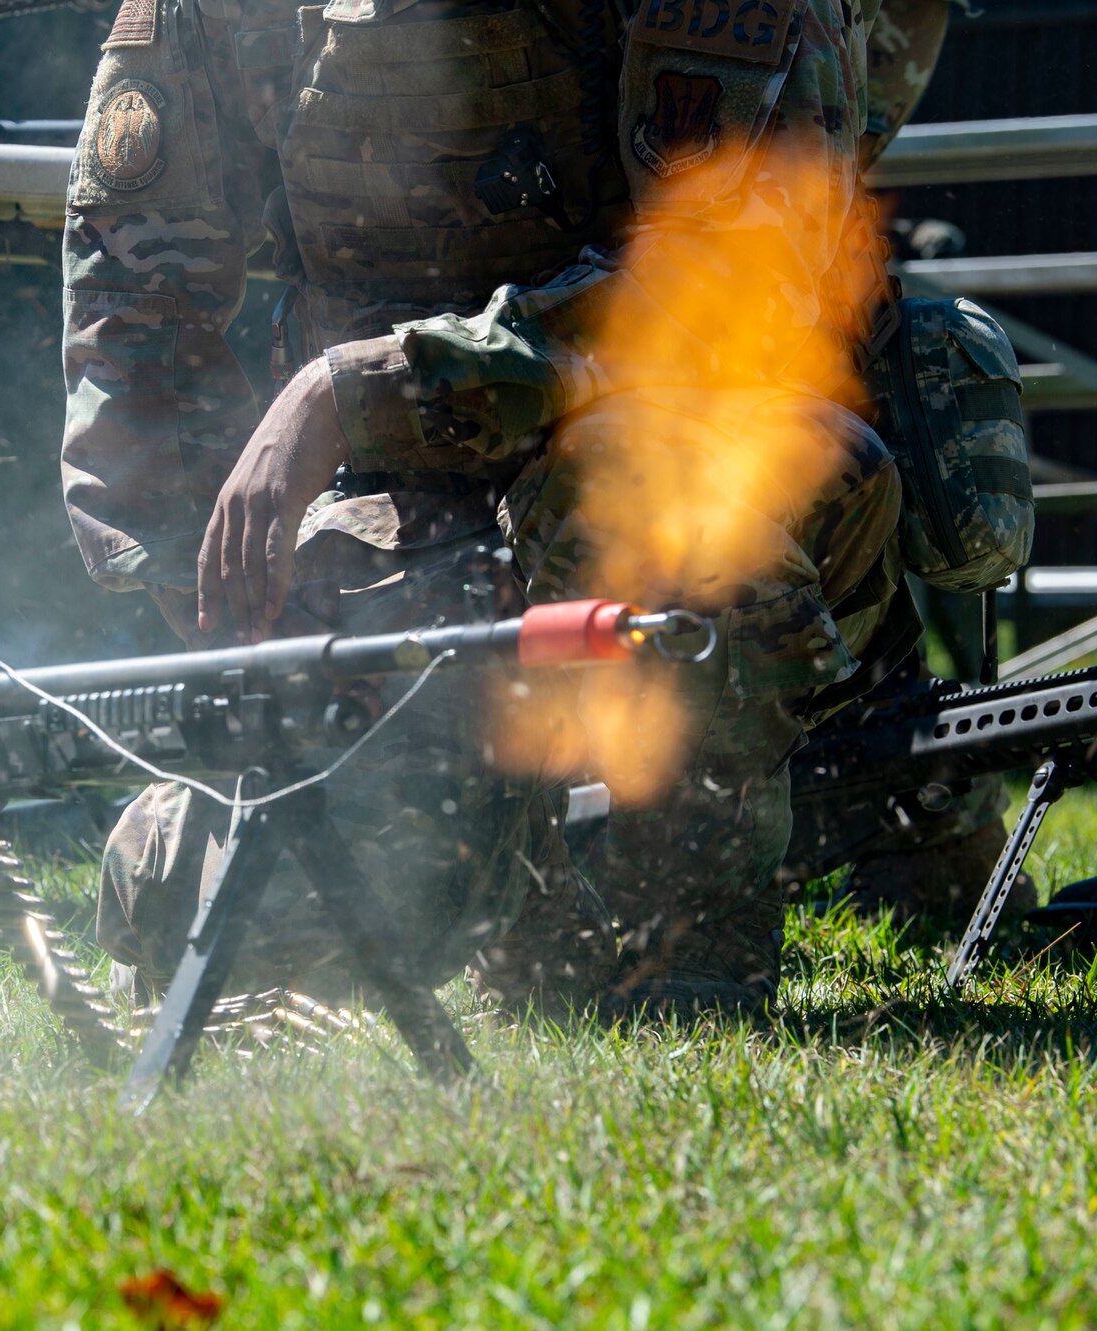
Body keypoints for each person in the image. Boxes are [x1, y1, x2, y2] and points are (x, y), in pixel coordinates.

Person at [61, 0, 993, 1013]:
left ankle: (678, 940)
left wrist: (358, 390)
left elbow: (719, 291)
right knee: (243, 902)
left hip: (699, 452)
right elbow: (133, 304)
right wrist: (221, 615)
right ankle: (522, 876)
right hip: (406, 501)